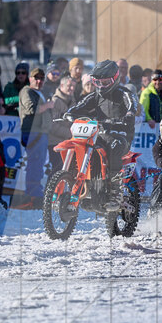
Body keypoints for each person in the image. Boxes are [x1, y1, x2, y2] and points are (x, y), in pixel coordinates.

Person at [63, 60, 139, 211]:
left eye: (105, 82)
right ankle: (80, 184)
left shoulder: (124, 93)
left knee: (114, 147)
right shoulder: (96, 95)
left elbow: (132, 104)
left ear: (115, 78)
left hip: (121, 135)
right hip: (100, 134)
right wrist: (69, 113)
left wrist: (130, 114)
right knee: (83, 146)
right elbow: (80, 106)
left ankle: (115, 192)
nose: (101, 86)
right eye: (98, 82)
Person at [14, 67, 53, 209]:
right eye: (36, 78)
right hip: (33, 132)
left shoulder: (39, 93)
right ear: (30, 78)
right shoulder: (26, 91)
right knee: (34, 164)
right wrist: (48, 105)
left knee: (38, 164)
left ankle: (35, 194)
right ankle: (32, 195)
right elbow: (31, 109)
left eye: (42, 78)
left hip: (41, 132)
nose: (39, 81)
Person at [47, 75, 78, 173]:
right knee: (57, 172)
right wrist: (70, 133)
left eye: (73, 86)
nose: (72, 88)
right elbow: (51, 125)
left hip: (68, 143)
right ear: (61, 86)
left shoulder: (73, 101)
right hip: (55, 143)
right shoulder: (54, 102)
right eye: (69, 86)